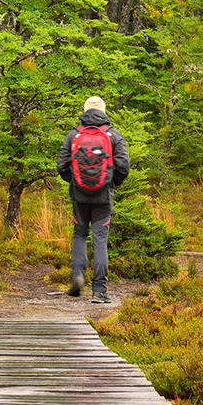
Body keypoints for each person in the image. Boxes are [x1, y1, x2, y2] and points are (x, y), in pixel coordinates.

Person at [56, 96, 131, 303]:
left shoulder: (73, 135)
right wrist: (109, 183)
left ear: (85, 110)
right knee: (100, 240)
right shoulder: (114, 136)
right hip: (103, 198)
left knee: (80, 235)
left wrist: (76, 182)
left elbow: (61, 167)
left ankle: (78, 278)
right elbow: (124, 167)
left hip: (79, 196)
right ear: (104, 112)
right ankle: (99, 291)